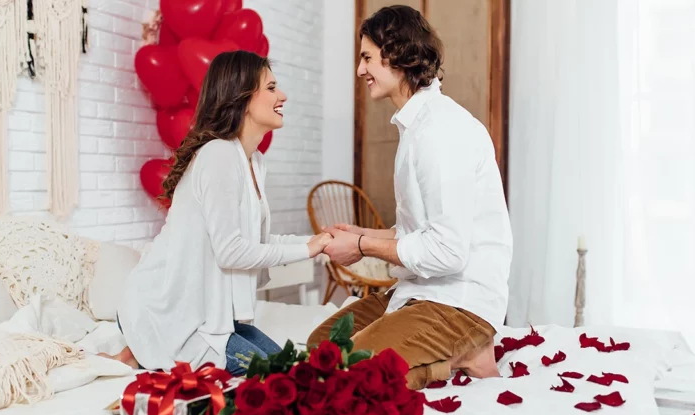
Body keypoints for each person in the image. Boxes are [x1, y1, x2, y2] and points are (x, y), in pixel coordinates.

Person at [308, 5, 513, 390]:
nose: (360, 70)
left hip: (458, 302)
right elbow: (418, 232)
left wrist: (363, 246)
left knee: (353, 374)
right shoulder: (416, 127)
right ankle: (458, 352)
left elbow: (449, 252)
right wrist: (361, 235)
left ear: (398, 54)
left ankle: (470, 347)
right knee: (321, 350)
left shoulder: (440, 132)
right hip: (419, 291)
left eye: (367, 57)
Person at [108, 51, 333, 374]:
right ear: (241, 97)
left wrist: (319, 241)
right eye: (271, 88)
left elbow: (258, 242)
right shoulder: (219, 155)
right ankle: (146, 343)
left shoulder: (254, 161)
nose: (282, 95)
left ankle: (138, 350)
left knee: (290, 366)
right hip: (165, 310)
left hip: (209, 313)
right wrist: (309, 248)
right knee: (277, 374)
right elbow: (231, 252)